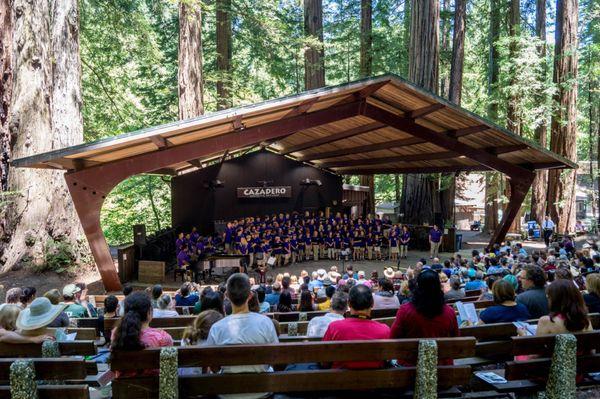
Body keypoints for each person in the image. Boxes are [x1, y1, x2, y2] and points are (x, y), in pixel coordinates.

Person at [206, 273, 278, 399]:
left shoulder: (217, 328)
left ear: (227, 296)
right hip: (261, 392)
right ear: (250, 296)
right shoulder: (265, 323)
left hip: (228, 393)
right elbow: (275, 358)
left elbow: (214, 367)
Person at [390, 269, 459, 365]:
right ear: (439, 287)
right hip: (441, 366)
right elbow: (455, 339)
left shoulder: (405, 310)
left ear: (418, 287)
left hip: (410, 366)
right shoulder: (449, 312)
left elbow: (393, 338)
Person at [323, 285, 390, 369]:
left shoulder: (335, 327)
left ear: (349, 304)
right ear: (372, 303)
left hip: (340, 380)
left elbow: (324, 361)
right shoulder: (385, 330)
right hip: (376, 380)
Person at [111, 292, 173, 378]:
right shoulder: (163, 337)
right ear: (149, 313)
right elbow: (168, 372)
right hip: (154, 388)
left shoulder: (116, 333)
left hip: (125, 388)